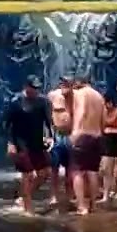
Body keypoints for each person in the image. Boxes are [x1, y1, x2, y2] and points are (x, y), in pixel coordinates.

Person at [2, 76, 54, 214]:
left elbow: (49, 122)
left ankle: (24, 196)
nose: (35, 91)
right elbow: (5, 124)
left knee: (45, 173)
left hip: (36, 141)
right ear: (26, 87)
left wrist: (50, 137)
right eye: (33, 88)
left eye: (37, 88)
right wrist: (10, 143)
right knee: (28, 175)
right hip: (20, 141)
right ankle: (28, 209)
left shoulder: (43, 102)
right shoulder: (15, 101)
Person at [69, 76, 105, 215]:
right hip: (96, 136)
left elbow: (81, 111)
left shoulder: (80, 93)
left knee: (77, 171)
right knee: (92, 171)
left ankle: (82, 206)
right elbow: (103, 119)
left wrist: (75, 132)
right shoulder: (99, 96)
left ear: (79, 83)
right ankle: (94, 205)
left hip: (83, 135)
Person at [46, 76, 74, 208]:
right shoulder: (53, 95)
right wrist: (46, 135)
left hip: (71, 135)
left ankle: (69, 195)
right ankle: (54, 195)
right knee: (54, 168)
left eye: (67, 83)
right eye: (62, 83)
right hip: (56, 135)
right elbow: (45, 116)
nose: (64, 85)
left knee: (71, 168)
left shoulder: (77, 98)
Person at [99, 92, 117, 206]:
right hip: (107, 140)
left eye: (105, 103)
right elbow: (101, 127)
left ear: (110, 102)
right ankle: (106, 195)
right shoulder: (103, 112)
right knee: (106, 169)